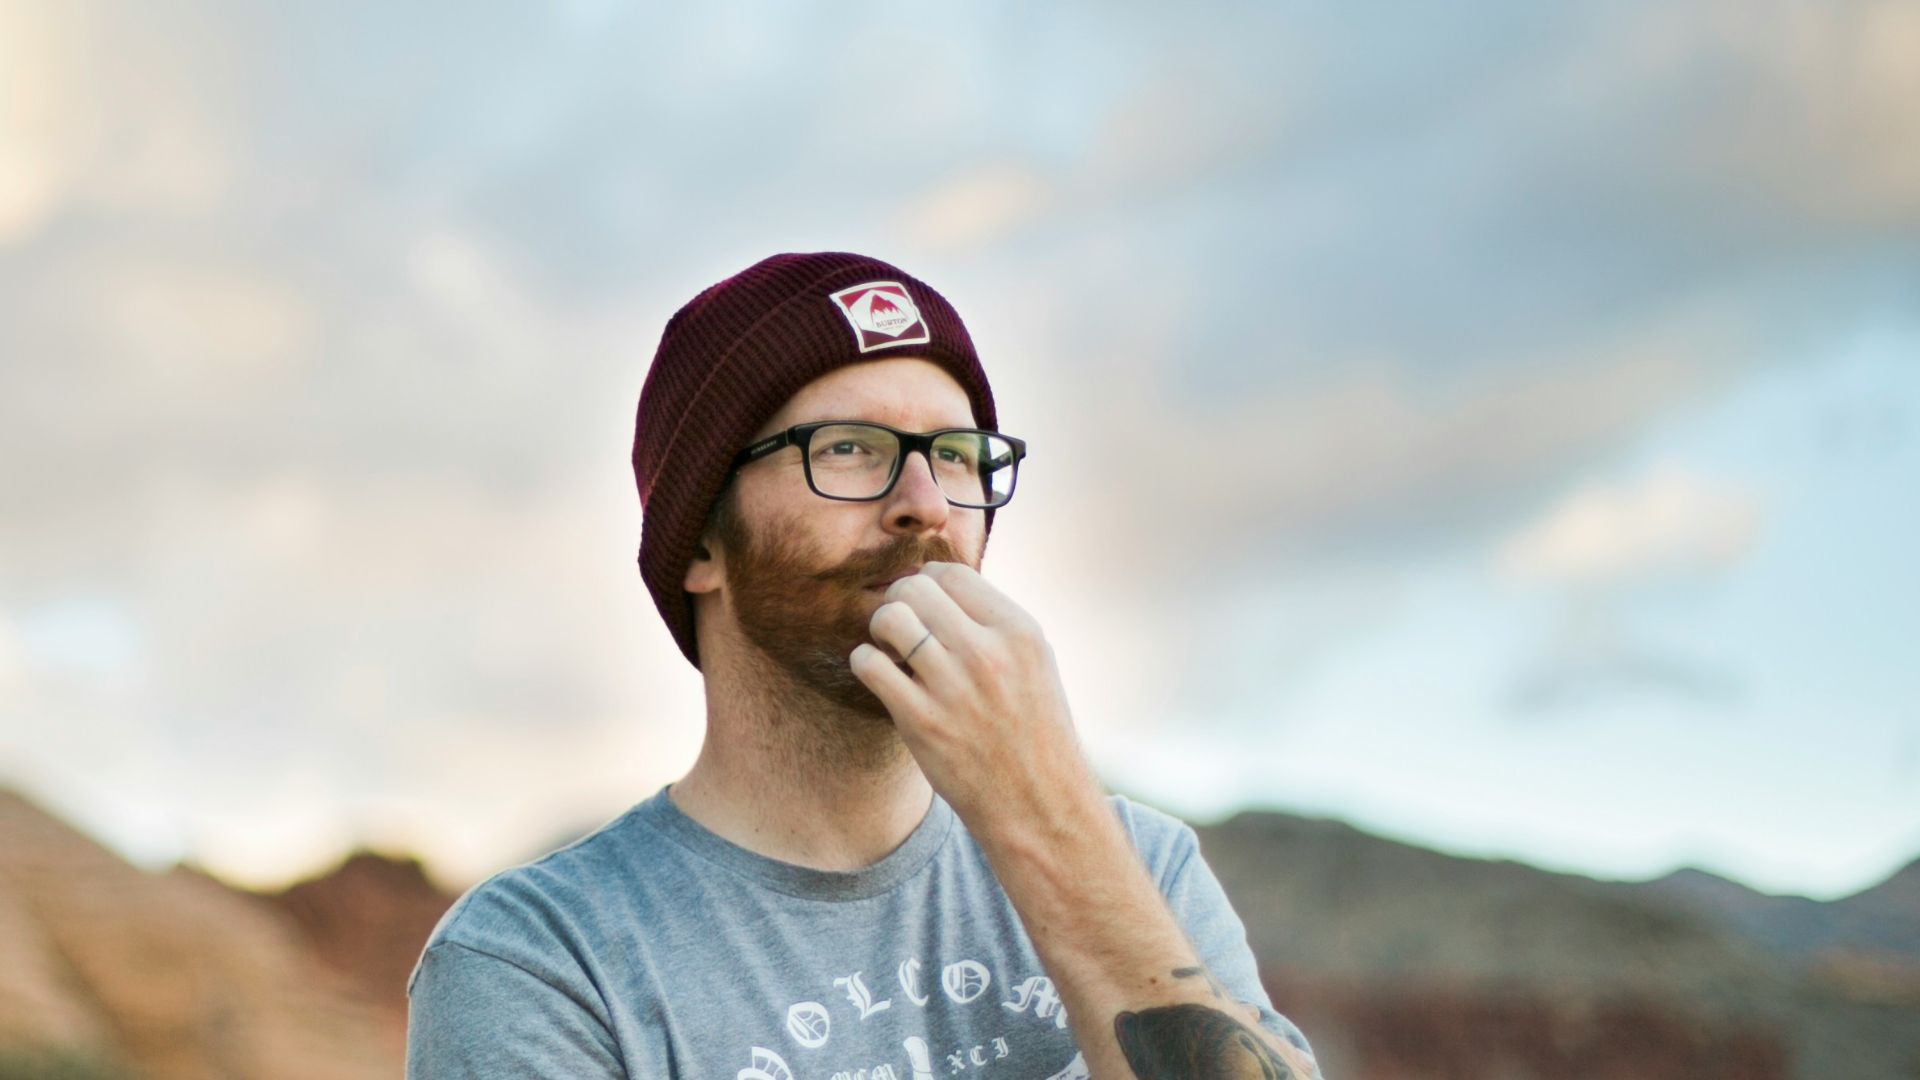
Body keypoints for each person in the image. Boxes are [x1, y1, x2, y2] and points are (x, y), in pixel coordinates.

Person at [405, 252, 1321, 1079]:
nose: (926, 505)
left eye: (958, 458)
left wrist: (1050, 823)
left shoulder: (1140, 871)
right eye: (849, 449)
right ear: (700, 546)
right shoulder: (544, 959)